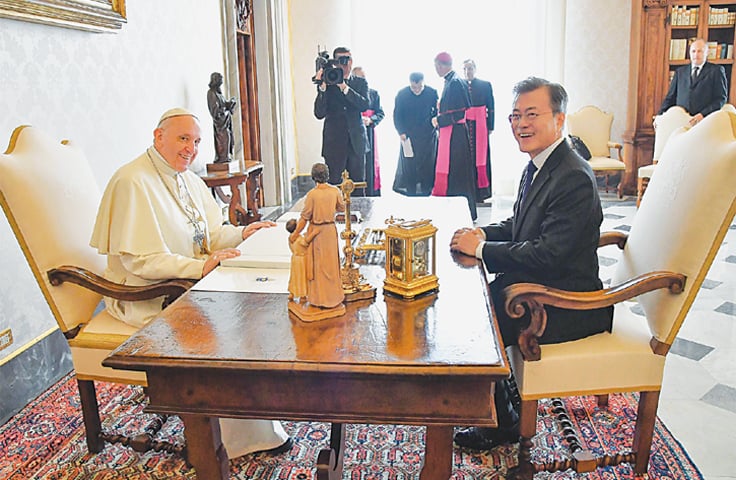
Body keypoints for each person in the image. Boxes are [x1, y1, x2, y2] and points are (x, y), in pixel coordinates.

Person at [90, 107, 292, 459]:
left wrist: (243, 232)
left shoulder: (189, 178)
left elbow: (211, 234)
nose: (191, 149)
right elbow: (141, 261)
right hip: (147, 296)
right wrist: (200, 267)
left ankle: (255, 419)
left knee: (256, 310)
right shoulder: (132, 181)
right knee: (229, 325)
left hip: (184, 283)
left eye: (196, 141)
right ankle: (230, 439)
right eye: (183, 139)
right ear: (158, 136)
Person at [449, 77, 613, 450]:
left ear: (559, 119)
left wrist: (481, 251)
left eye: (531, 114)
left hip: (568, 303)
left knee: (479, 316)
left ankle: (502, 421)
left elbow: (547, 254)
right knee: (480, 302)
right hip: (541, 285)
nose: (520, 124)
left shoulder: (572, 176)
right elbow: (520, 225)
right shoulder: (540, 162)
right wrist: (480, 234)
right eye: (515, 116)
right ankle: (495, 402)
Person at [289, 163, 346, 309]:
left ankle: (320, 298)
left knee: (319, 267)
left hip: (317, 232)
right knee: (331, 265)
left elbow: (304, 218)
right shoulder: (334, 191)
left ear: (313, 177)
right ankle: (333, 297)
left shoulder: (312, 195)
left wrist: (295, 234)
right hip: (329, 231)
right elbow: (342, 207)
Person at [314, 47, 370, 190]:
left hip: (356, 143)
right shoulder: (328, 83)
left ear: (352, 61)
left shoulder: (360, 83)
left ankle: (360, 213)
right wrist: (322, 88)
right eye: (341, 61)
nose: (345, 65)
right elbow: (319, 113)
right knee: (334, 187)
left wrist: (345, 87)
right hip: (334, 144)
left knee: (357, 186)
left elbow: (364, 105)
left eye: (347, 60)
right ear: (334, 63)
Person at [431, 52, 478, 221]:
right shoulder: (452, 81)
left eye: (436, 66)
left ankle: (459, 212)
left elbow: (459, 114)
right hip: (453, 135)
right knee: (455, 174)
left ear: (440, 65)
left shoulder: (455, 82)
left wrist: (439, 120)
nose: (436, 69)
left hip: (456, 137)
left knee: (457, 174)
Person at [657, 38, 727, 126]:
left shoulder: (716, 71)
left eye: (700, 51)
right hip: (681, 122)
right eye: (693, 51)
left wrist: (703, 114)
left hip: (704, 121)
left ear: (707, 53)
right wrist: (659, 116)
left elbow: (721, 99)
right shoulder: (680, 72)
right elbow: (670, 97)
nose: (696, 54)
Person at [392, 72, 438, 196]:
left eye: (419, 87)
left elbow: (437, 112)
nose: (416, 90)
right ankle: (411, 192)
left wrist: (436, 121)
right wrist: (400, 131)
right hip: (408, 136)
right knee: (409, 165)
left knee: (427, 165)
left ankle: (426, 191)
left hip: (428, 135)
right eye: (414, 87)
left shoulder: (432, 93)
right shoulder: (402, 94)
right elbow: (397, 115)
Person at [463, 59, 494, 201]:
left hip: (480, 126)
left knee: (481, 159)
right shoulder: (460, 85)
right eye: (464, 69)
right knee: (466, 158)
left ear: (475, 69)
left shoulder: (485, 85)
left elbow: (491, 107)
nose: (467, 71)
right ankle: (467, 191)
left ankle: (481, 193)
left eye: (469, 68)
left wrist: (490, 126)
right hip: (465, 125)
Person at [352, 66, 385, 196]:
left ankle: (371, 194)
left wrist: (371, 120)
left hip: (369, 134)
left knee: (370, 165)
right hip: (354, 134)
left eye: (364, 78)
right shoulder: (348, 93)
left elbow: (380, 113)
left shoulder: (373, 93)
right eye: (359, 78)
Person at [207, 72, 238, 163]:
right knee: (224, 139)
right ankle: (222, 158)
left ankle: (226, 156)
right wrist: (225, 109)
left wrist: (230, 103)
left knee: (228, 138)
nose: (221, 82)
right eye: (220, 80)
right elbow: (215, 111)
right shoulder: (211, 93)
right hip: (220, 123)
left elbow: (223, 105)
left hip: (225, 121)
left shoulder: (219, 93)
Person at [285, 218, 315, 303]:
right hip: (301, 260)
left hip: (295, 258)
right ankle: (302, 295)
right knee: (302, 277)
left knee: (294, 277)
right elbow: (306, 242)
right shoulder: (299, 238)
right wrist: (312, 234)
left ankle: (292, 293)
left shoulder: (291, 238)